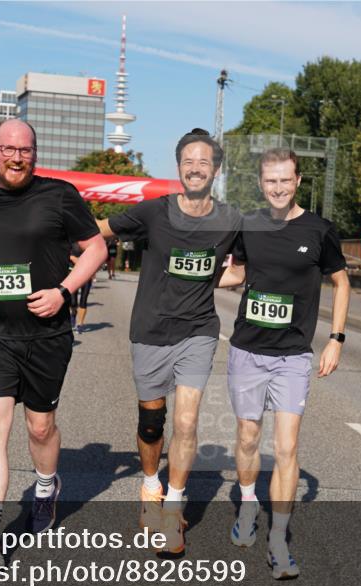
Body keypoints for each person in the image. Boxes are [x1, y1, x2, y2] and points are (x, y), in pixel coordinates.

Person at [0, 119, 106, 566]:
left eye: (26, 150)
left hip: (46, 336)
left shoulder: (59, 195)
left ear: (34, 155)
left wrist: (63, 291)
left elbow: (96, 249)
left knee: (40, 428)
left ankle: (45, 485)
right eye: (9, 149)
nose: (17, 157)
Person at [98, 128, 241, 555]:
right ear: (179, 167)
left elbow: (247, 268)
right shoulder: (153, 213)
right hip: (150, 330)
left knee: (187, 421)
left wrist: (214, 278)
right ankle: (149, 486)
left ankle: (173, 509)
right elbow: (99, 230)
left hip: (198, 330)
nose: (196, 168)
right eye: (188, 161)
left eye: (204, 161)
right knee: (152, 423)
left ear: (216, 169)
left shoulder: (231, 220)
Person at [218, 148, 349, 579]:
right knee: (248, 437)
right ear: (261, 183)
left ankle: (278, 539)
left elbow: (341, 282)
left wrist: (336, 339)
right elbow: (236, 273)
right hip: (247, 351)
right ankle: (247, 505)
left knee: (287, 447)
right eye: (270, 181)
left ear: (297, 181)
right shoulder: (249, 225)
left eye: (285, 180)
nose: (277, 188)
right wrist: (191, 276)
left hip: (293, 356)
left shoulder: (319, 229)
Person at [68, 245, 94, 335]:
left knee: (83, 300)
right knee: (73, 301)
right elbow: (65, 253)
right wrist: (72, 257)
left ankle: (80, 324)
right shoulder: (71, 239)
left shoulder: (91, 241)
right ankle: (73, 314)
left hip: (87, 274)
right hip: (72, 273)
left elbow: (97, 256)